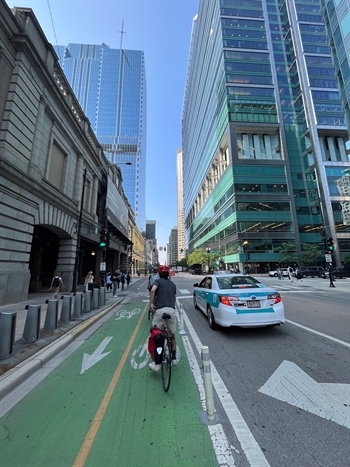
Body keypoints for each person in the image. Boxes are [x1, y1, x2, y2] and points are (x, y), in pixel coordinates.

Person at [149, 265, 177, 372]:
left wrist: (151, 304)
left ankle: (157, 364)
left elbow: (152, 290)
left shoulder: (158, 281)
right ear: (168, 274)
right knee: (172, 336)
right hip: (171, 310)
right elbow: (174, 299)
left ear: (160, 274)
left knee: (157, 336)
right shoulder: (173, 284)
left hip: (160, 311)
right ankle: (173, 359)